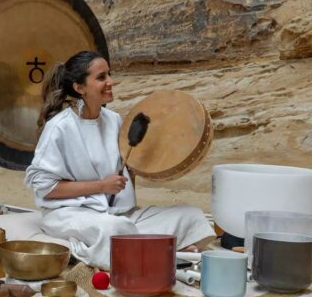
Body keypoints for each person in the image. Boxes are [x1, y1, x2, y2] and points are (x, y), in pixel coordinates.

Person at [24, 51, 215, 269]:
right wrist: (101, 186)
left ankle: (153, 252)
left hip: (115, 213)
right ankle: (164, 253)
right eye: (101, 77)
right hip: (69, 214)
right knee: (114, 230)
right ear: (79, 88)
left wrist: (130, 183)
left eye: (109, 75)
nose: (110, 82)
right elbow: (44, 187)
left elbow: (124, 176)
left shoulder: (114, 120)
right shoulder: (60, 127)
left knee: (191, 216)